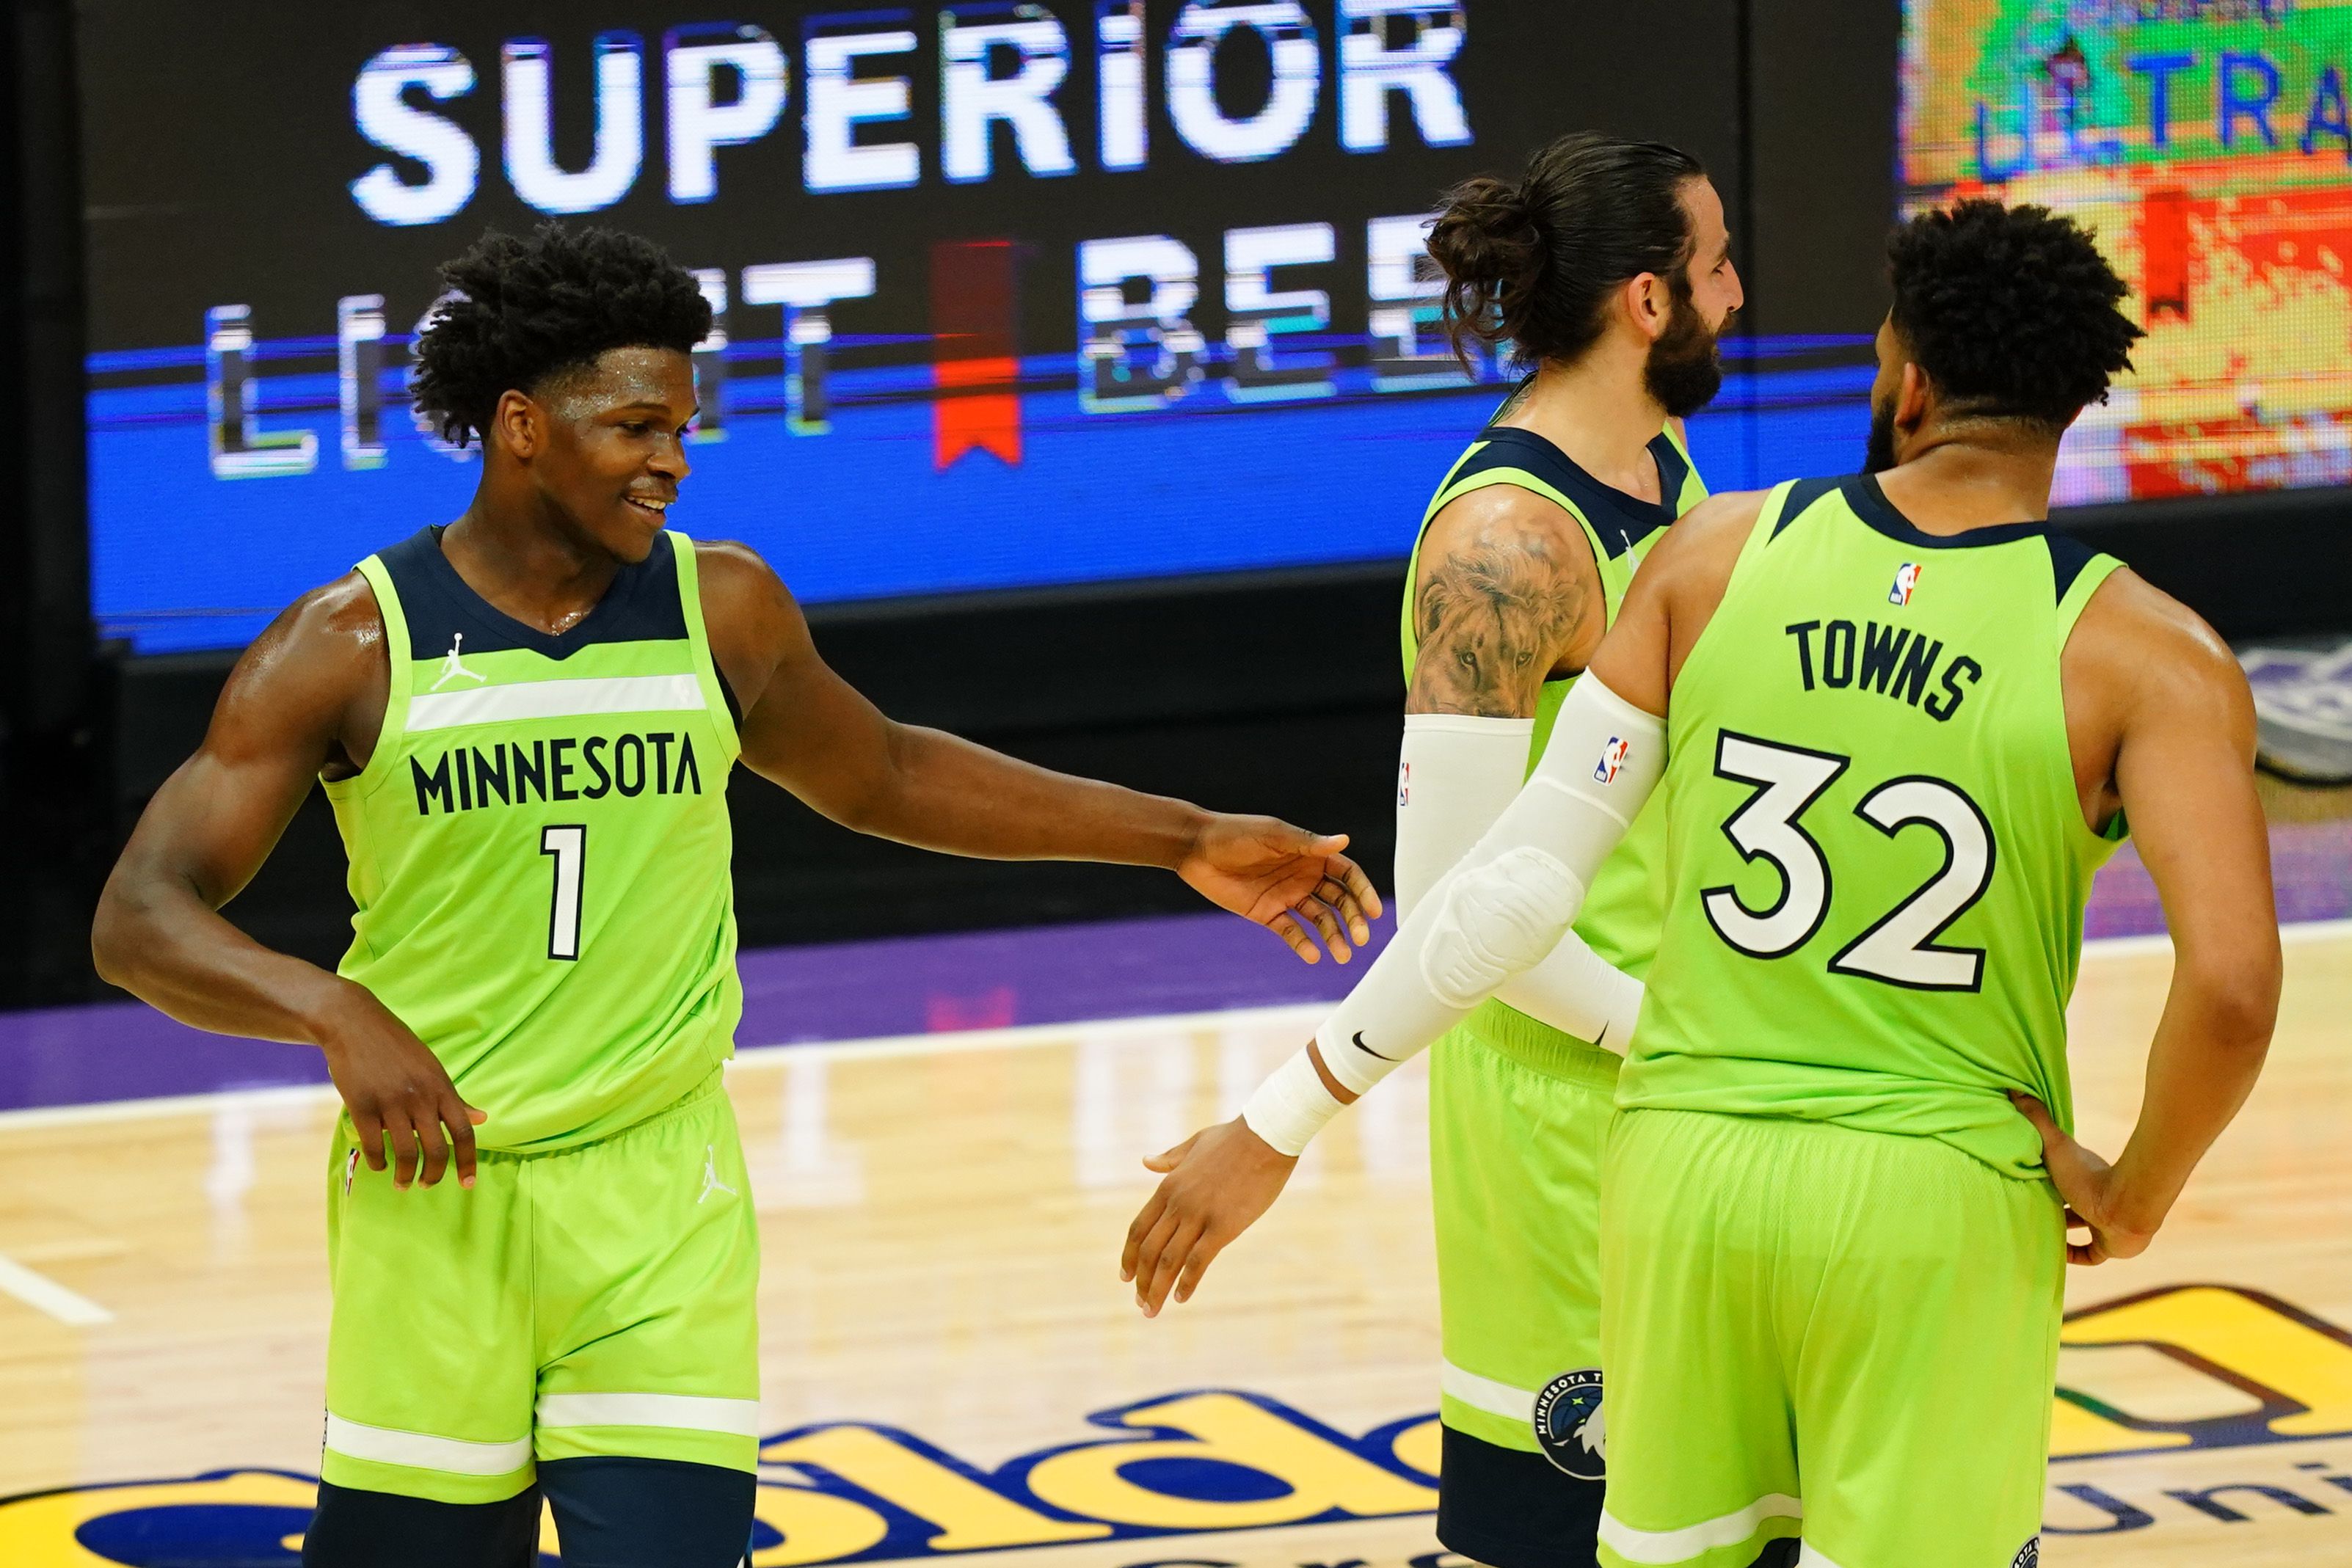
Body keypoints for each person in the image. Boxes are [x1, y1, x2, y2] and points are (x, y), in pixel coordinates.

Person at [90, 224, 1381, 1568]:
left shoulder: (721, 607)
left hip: (662, 1192)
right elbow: (140, 914)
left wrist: (1183, 835)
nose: (673, 460)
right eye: (635, 426)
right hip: (439, 1191)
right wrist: (330, 1009)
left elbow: (885, 772)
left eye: (682, 428)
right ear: (522, 426)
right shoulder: (352, 641)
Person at [1124, 200, 2279, 1568]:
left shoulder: (1710, 555)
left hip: (1685, 1174)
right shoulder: (2154, 655)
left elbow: (1501, 896)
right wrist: (2135, 1192)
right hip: (1934, 1188)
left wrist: (1286, 1110)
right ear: (2072, 408)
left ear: (1907, 382)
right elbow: (2229, 987)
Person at [1275, 131, 1741, 1565]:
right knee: (1573, 1538)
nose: (1738, 292)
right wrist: (1666, 1033)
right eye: (1718, 263)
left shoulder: (1658, 459)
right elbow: (1451, 910)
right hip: (1562, 1102)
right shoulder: (1503, 543)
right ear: (1647, 301)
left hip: (1689, 1075)